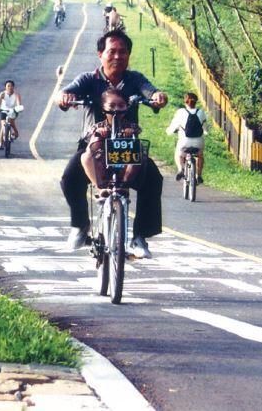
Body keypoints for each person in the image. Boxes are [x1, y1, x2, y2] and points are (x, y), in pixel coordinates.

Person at [57, 29, 168, 258]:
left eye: (123, 52)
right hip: (93, 146)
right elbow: (68, 91)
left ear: (129, 55)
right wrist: (64, 97)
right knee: (69, 178)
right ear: (101, 54)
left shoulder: (135, 79)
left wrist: (158, 96)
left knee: (153, 179)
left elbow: (151, 91)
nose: (117, 56)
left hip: (126, 147)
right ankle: (80, 225)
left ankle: (139, 237)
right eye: (112, 51)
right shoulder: (89, 79)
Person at [80, 89, 142, 189]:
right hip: (103, 161)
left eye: (121, 106)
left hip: (124, 160)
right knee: (85, 157)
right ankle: (100, 188)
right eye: (112, 106)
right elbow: (89, 141)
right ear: (104, 109)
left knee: (139, 152)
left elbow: (138, 131)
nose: (116, 109)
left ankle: (124, 186)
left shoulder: (131, 125)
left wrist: (130, 133)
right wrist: (98, 135)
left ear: (126, 108)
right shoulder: (98, 126)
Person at [167, 92, 208, 184]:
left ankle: (180, 169)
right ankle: (199, 175)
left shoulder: (180, 112)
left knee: (179, 153)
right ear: (196, 102)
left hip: (184, 142)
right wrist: (205, 132)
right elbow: (205, 129)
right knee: (200, 155)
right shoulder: (201, 112)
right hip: (199, 142)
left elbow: (172, 127)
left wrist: (169, 131)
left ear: (185, 102)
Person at [0, 80, 22, 150]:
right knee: (3, 125)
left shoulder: (16, 95)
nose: (9, 87)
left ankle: (15, 131)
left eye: (11, 86)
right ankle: (1, 143)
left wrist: (18, 108)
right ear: (5, 87)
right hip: (4, 111)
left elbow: (18, 103)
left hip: (13, 111)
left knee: (11, 120)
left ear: (13, 87)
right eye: (8, 86)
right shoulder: (2, 94)